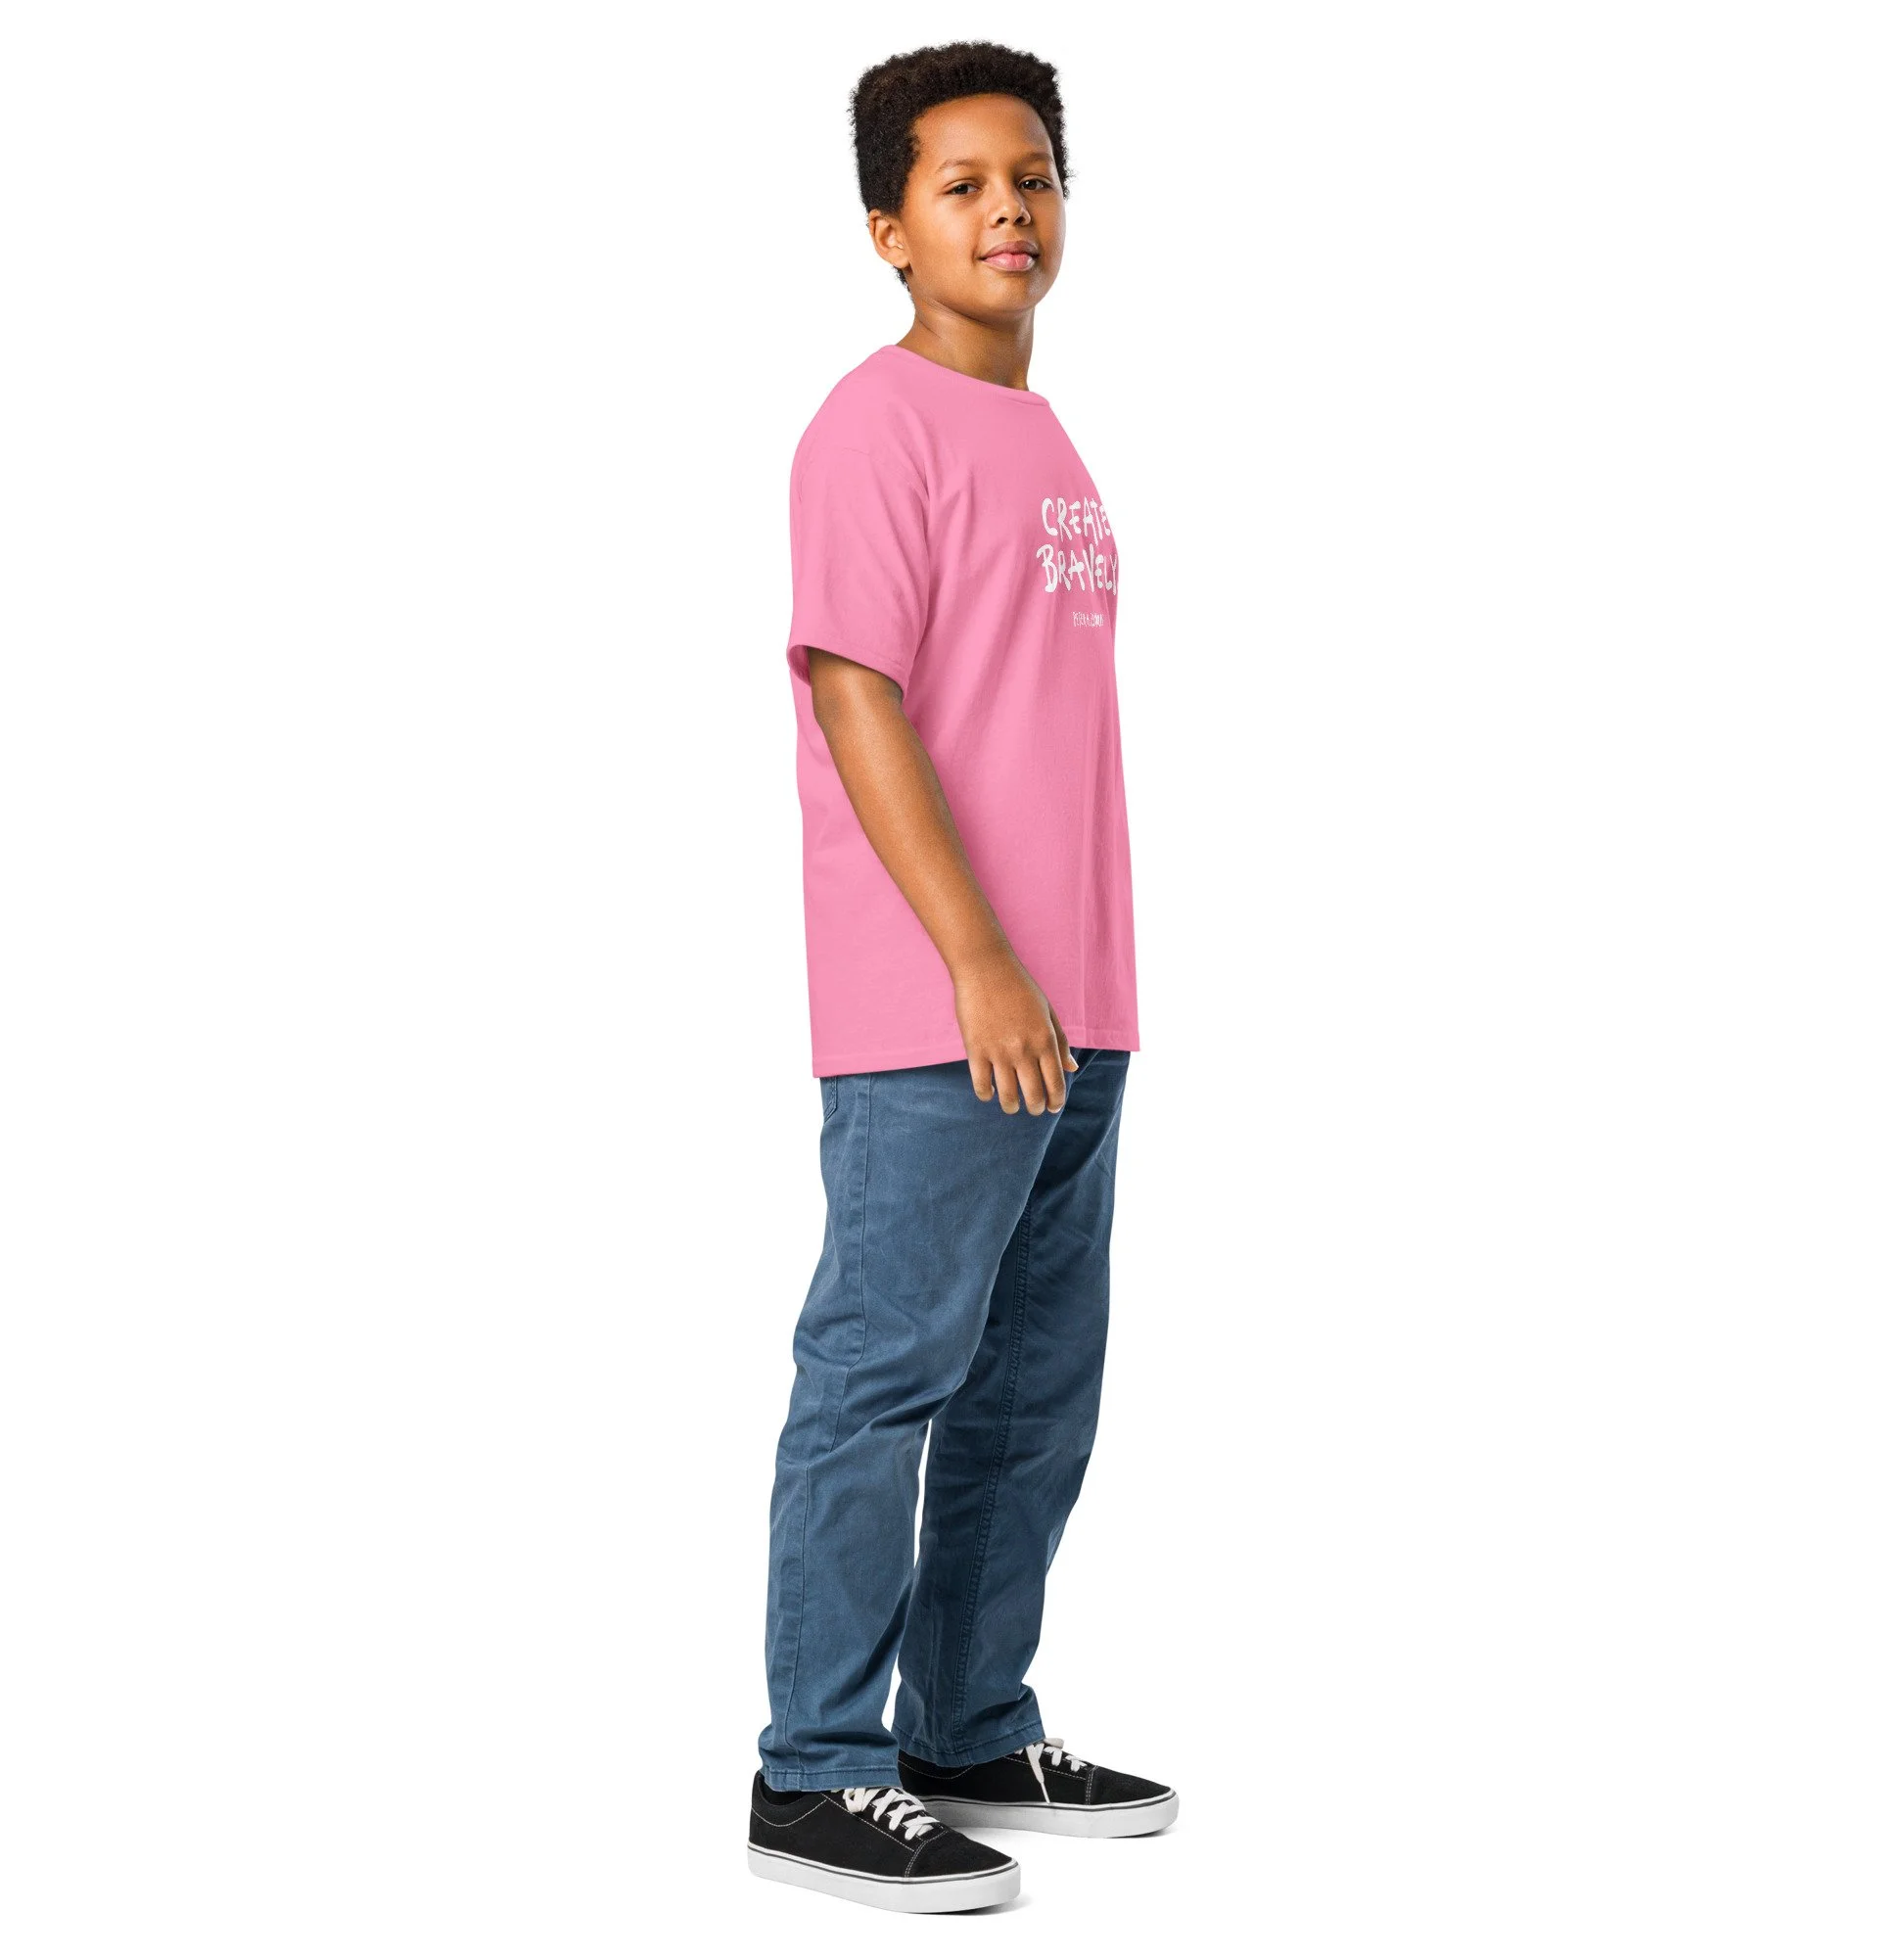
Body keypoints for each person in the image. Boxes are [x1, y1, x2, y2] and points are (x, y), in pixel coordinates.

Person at [747, 42, 1176, 1915]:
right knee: (884, 1377)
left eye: (1034, 178)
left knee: (1028, 1392)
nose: (1009, 210)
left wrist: (1071, 983)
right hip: (945, 1006)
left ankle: (969, 1726)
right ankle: (815, 1773)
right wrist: (983, 963)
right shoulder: (875, 426)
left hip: (1078, 1004)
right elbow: (860, 696)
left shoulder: (1049, 437)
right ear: (888, 229)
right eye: (963, 185)